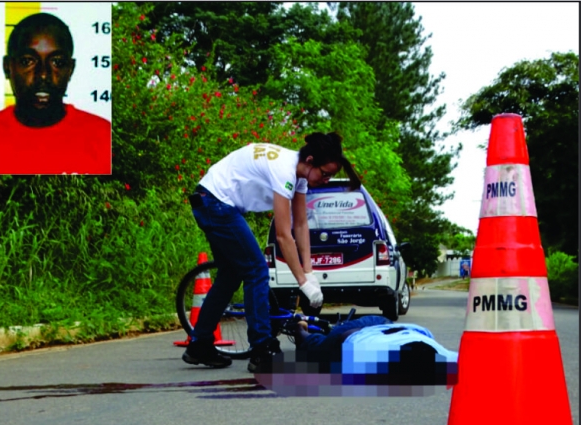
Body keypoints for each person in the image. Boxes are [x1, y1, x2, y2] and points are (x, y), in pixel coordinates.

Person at [182, 132, 362, 372]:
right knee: (256, 270)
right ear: (310, 161)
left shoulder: (300, 177)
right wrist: (302, 282)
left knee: (230, 275)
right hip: (215, 202)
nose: (327, 180)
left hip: (215, 202)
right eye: (325, 173)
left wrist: (309, 274)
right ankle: (262, 349)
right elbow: (283, 234)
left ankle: (199, 345)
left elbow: (300, 225)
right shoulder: (284, 171)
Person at [0, 13, 111, 175]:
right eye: (28, 61)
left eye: (57, 62)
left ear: (70, 69)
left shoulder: (104, 138)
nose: (43, 74)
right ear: (8, 67)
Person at [293, 316, 458, 385]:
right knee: (315, 350)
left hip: (385, 323)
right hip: (352, 334)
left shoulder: (440, 353)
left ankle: (304, 329)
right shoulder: (372, 359)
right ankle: (300, 328)